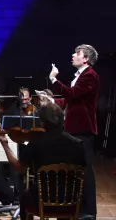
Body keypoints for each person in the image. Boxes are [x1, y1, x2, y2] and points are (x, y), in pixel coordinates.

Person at [0, 103, 86, 214]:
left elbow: (20, 168)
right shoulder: (78, 144)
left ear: (43, 121)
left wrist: (5, 144)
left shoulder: (36, 141)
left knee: (24, 196)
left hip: (41, 202)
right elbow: (82, 173)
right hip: (71, 202)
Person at [49, 44, 100, 219]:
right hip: (73, 129)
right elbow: (70, 101)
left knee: (86, 171)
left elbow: (72, 94)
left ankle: (89, 212)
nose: (73, 55)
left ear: (85, 58)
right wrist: (50, 100)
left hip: (82, 129)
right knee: (75, 169)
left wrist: (55, 80)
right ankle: (75, 208)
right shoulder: (79, 76)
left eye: (77, 53)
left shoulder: (90, 76)